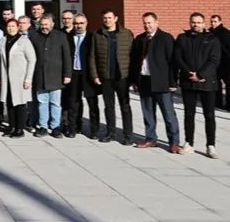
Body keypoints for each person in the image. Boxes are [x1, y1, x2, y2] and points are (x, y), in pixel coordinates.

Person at [129, 13, 181, 153]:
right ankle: (151, 138)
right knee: (148, 112)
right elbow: (134, 61)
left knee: (168, 114)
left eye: (149, 23)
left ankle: (174, 142)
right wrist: (134, 80)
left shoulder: (166, 38)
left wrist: (172, 82)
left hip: (161, 82)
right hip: (144, 80)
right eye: (145, 23)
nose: (147, 25)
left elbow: (172, 62)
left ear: (156, 22)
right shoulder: (140, 39)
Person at [175, 13, 221, 158]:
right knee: (189, 114)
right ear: (190, 23)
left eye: (199, 22)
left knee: (209, 115)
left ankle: (210, 145)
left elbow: (214, 60)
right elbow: (178, 57)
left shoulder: (212, 39)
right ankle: (189, 143)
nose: (196, 25)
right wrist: (189, 73)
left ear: (204, 23)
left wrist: (200, 75)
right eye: (194, 22)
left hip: (207, 82)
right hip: (188, 82)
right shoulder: (182, 38)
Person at [89, 9, 135, 145]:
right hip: (106, 76)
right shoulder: (97, 34)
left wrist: (132, 77)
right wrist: (95, 75)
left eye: (109, 18)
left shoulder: (126, 34)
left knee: (125, 106)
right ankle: (110, 133)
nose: (107, 20)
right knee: (109, 107)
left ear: (115, 18)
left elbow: (133, 55)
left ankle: (128, 135)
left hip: (122, 76)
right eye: (105, 18)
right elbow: (92, 56)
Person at [30, 14, 72, 138]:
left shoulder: (60, 36)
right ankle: (43, 126)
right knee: (42, 103)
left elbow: (67, 56)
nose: (44, 27)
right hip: (40, 75)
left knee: (55, 103)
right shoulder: (35, 36)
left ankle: (55, 127)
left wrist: (67, 74)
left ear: (52, 24)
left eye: (46, 24)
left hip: (56, 76)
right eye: (42, 24)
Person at [0, 19, 36, 139]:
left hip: (20, 77)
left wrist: (28, 78)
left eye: (13, 26)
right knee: (9, 103)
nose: (11, 28)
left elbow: (32, 60)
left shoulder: (24, 41)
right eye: (9, 26)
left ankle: (20, 129)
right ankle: (11, 127)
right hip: (6, 77)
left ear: (18, 27)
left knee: (20, 103)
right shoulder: (3, 40)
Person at [65, 14, 95, 138]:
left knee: (92, 103)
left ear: (86, 23)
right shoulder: (68, 37)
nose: (78, 26)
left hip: (88, 74)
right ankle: (73, 128)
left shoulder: (92, 37)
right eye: (76, 23)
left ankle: (94, 131)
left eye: (81, 23)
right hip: (74, 73)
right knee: (73, 102)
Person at [209, 14, 230, 110]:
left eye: (215, 21)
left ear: (220, 22)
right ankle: (217, 103)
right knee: (215, 83)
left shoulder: (225, 33)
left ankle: (228, 105)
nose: (213, 23)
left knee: (228, 84)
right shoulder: (210, 33)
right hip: (215, 63)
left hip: (226, 62)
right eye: (212, 22)